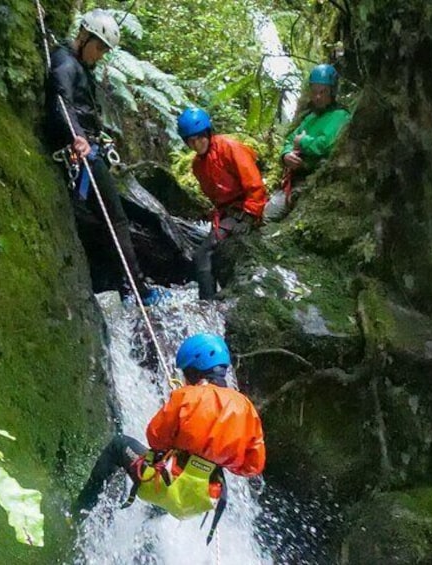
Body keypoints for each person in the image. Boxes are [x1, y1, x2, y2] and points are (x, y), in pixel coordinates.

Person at [74, 334, 265, 539]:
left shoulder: (186, 396)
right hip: (202, 497)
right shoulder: (247, 408)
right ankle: (143, 533)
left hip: (167, 485)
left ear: (194, 370)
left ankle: (77, 515)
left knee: (118, 445)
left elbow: (155, 438)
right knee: (164, 498)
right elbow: (252, 466)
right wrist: (214, 458)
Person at [45, 9, 163, 305]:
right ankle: (138, 289)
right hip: (79, 155)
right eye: (98, 47)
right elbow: (61, 99)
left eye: (104, 51)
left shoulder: (79, 66)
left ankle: (120, 285)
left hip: (87, 149)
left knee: (103, 221)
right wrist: (78, 137)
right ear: (83, 36)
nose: (99, 55)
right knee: (116, 220)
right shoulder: (65, 63)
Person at [177, 107, 269, 299]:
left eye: (200, 137)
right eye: (191, 141)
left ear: (208, 133)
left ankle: (207, 304)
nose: (197, 144)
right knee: (205, 254)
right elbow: (216, 196)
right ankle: (210, 302)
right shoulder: (197, 165)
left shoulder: (230, 148)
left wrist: (250, 216)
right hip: (228, 213)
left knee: (202, 255)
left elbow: (254, 184)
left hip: (244, 209)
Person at [280, 63, 351, 181]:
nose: (317, 97)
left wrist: (302, 141)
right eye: (314, 92)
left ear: (332, 92)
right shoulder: (310, 118)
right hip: (298, 178)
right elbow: (290, 140)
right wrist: (286, 155)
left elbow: (326, 145)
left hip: (319, 178)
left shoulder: (340, 115)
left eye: (323, 92)